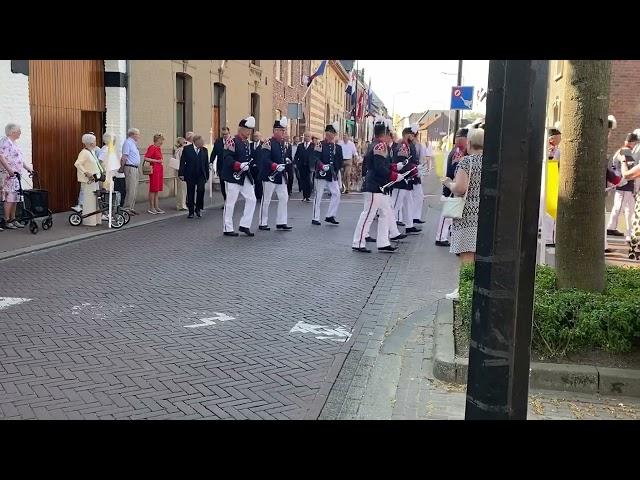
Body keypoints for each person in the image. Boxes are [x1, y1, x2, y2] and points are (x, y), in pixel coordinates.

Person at [441, 127, 484, 300]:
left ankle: (464, 290)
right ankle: (477, 288)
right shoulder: (490, 161)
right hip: (484, 212)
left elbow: (460, 188)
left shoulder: (466, 162)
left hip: (468, 212)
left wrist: (448, 183)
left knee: (467, 253)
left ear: (469, 143)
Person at [352, 120, 398, 253]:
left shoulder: (376, 144)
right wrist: (394, 175)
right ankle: (358, 242)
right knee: (368, 214)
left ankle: (383, 242)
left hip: (378, 185)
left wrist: (394, 168)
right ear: (385, 134)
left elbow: (382, 164)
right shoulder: (379, 146)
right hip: (375, 185)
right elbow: (379, 167)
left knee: (385, 212)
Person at [221, 116, 257, 237]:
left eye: (251, 130)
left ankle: (244, 225)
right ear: (241, 129)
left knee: (252, 199)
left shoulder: (246, 142)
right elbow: (227, 157)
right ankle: (227, 227)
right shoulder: (231, 140)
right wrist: (239, 165)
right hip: (232, 176)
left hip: (245, 176)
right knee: (230, 202)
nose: (250, 132)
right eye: (248, 129)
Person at [258, 117, 292, 231]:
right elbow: (264, 159)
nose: (284, 132)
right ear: (275, 130)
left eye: (284, 130)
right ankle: (263, 222)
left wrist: (285, 161)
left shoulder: (281, 143)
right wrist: (275, 165)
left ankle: (281, 221)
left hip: (280, 175)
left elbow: (280, 156)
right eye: (282, 130)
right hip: (269, 174)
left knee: (284, 197)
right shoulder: (268, 142)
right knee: (266, 199)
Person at [435, 128, 467, 246]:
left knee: (450, 213)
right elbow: (455, 170)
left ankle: (443, 236)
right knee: (447, 214)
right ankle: (440, 238)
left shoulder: (457, 150)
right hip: (451, 186)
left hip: (451, 185)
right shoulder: (458, 152)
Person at [0, 123, 33, 230]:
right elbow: (1, 156)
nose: (20, 133)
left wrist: (27, 167)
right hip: (8, 174)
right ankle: (7, 220)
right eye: (19, 131)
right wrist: (9, 170)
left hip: (16, 174)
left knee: (14, 198)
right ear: (12, 132)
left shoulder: (14, 143)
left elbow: (18, 158)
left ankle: (13, 219)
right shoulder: (5, 142)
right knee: (10, 197)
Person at [607, 133, 638, 240]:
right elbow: (628, 168)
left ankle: (631, 231)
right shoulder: (626, 151)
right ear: (633, 142)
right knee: (619, 206)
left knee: (630, 209)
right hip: (625, 183)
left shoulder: (621, 150)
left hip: (621, 182)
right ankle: (611, 227)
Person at [312, 122, 343, 226]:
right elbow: (315, 158)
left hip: (331, 173)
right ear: (326, 133)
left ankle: (330, 215)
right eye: (330, 133)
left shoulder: (337, 147)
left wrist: (335, 169)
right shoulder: (320, 144)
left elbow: (339, 161)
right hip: (321, 173)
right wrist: (321, 166)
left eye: (333, 133)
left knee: (337, 194)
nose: (332, 135)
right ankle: (315, 217)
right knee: (319, 195)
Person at [73, 133, 104, 227]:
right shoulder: (84, 152)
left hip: (95, 180)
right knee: (90, 201)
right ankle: (89, 221)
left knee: (95, 200)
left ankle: (96, 220)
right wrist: (86, 172)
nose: (95, 142)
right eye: (94, 141)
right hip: (89, 181)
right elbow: (77, 164)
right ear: (90, 143)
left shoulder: (92, 152)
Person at [178, 134, 209, 219]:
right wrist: (181, 174)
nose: (203, 143)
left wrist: (207, 176)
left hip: (201, 175)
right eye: (201, 141)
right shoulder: (187, 149)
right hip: (190, 174)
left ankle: (198, 208)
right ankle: (191, 211)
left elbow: (206, 164)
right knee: (190, 192)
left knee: (201, 190)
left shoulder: (204, 150)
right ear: (196, 141)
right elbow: (182, 162)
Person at [120, 128, 141, 215]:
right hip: (130, 167)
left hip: (135, 167)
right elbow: (124, 156)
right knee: (130, 188)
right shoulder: (127, 143)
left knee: (134, 188)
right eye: (138, 134)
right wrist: (122, 167)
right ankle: (127, 208)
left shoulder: (133, 143)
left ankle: (131, 207)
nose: (139, 136)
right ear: (132, 134)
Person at [144, 133, 165, 215]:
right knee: (153, 189)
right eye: (161, 140)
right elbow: (146, 157)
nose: (162, 142)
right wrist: (157, 161)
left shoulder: (158, 148)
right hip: (154, 170)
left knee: (157, 189)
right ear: (157, 140)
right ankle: (151, 207)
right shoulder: (152, 147)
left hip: (159, 170)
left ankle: (156, 207)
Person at [211, 127, 230, 205]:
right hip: (221, 167)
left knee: (229, 186)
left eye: (226, 134)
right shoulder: (218, 142)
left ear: (229, 133)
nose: (225, 136)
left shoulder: (233, 141)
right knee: (222, 185)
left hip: (230, 167)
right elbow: (214, 153)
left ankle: (230, 201)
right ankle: (226, 201)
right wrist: (211, 162)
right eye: (223, 134)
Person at [294, 132, 314, 201]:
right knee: (303, 181)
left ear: (310, 137)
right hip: (302, 166)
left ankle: (308, 195)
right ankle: (304, 196)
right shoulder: (300, 146)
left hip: (310, 166)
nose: (306, 137)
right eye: (305, 136)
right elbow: (296, 155)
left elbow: (315, 156)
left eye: (308, 136)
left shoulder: (313, 146)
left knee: (309, 180)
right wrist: (295, 163)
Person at [172, 137, 187, 211]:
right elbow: (182, 161)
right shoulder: (181, 150)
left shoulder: (177, 150)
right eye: (185, 142)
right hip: (181, 171)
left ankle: (180, 204)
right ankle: (182, 205)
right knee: (183, 189)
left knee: (180, 188)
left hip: (177, 170)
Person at [249, 130, 263, 201]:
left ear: (260, 137)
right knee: (251, 181)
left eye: (257, 136)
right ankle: (253, 195)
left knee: (259, 181)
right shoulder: (250, 145)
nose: (255, 137)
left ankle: (259, 196)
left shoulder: (263, 145)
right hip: (251, 166)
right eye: (254, 136)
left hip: (259, 166)